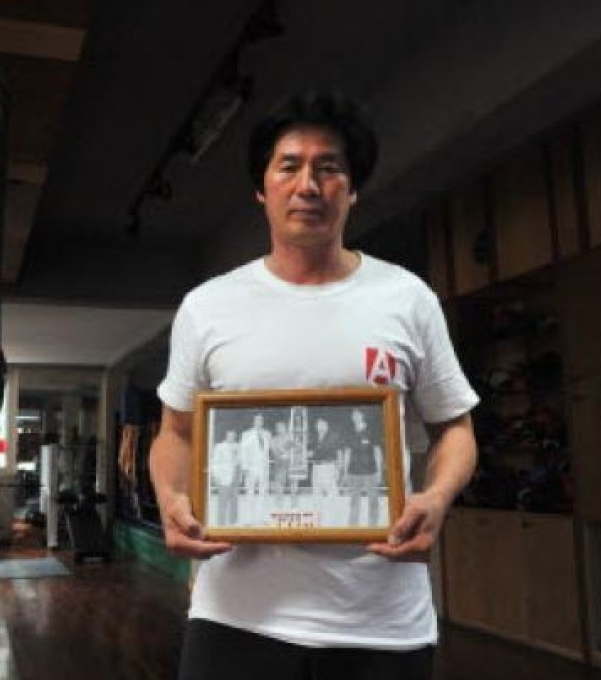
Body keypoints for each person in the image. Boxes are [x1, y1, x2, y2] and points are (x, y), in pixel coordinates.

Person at [149, 91, 479, 680]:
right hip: (234, 620)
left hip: (381, 624)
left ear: (351, 190)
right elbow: (175, 433)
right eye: (289, 165)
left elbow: (454, 425)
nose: (309, 184)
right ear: (262, 189)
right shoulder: (208, 306)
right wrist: (172, 498)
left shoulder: (406, 298)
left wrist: (436, 498)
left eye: (329, 168)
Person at [344, 407, 382, 526]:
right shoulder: (349, 433)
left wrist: (379, 471)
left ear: (362, 416)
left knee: (373, 501)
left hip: (370, 472)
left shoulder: (371, 431)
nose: (355, 417)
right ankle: (353, 527)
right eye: (353, 415)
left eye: (357, 414)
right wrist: (345, 472)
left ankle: (373, 526)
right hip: (353, 473)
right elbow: (347, 453)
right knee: (354, 502)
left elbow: (377, 452)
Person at [308, 416, 343, 524]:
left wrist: (339, 469)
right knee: (316, 495)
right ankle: (318, 521)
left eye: (322, 424)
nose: (319, 426)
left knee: (332, 495)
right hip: (316, 468)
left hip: (329, 467)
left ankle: (334, 521)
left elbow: (339, 453)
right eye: (318, 424)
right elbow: (308, 452)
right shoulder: (313, 438)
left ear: (326, 426)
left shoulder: (334, 436)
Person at [238, 413, 271, 524]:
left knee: (263, 494)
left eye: (261, 420)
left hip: (264, 469)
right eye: (257, 420)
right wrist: (245, 468)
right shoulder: (246, 434)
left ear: (263, 422)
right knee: (250, 494)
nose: (259, 422)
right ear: (253, 421)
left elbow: (267, 453)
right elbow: (243, 452)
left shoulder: (267, 434)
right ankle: (249, 520)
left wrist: (267, 468)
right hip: (250, 469)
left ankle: (261, 519)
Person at [210, 430, 241, 526]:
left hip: (235, 477)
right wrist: (216, 477)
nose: (231, 437)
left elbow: (240, 461)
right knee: (222, 501)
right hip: (224, 478)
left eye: (233, 436)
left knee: (234, 501)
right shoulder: (219, 446)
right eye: (229, 436)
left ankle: (233, 522)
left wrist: (240, 476)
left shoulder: (238, 446)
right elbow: (215, 463)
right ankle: (221, 522)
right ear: (226, 436)